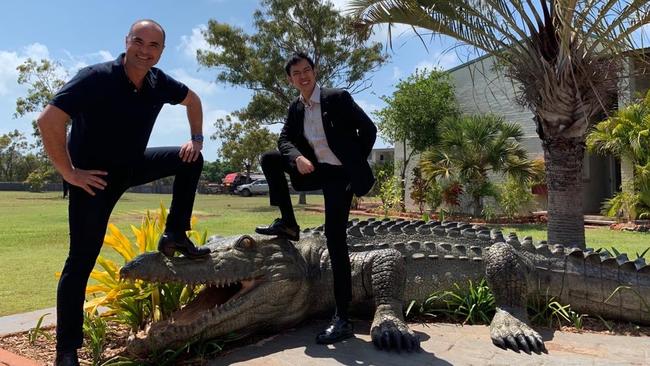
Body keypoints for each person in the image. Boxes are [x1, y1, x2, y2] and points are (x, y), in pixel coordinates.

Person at [37, 19, 210, 366]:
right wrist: (69, 172)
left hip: (132, 166)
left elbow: (193, 100)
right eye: (139, 42)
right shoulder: (96, 77)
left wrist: (196, 138)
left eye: (153, 46)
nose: (145, 51)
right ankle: (67, 351)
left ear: (161, 52)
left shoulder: (160, 83)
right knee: (80, 262)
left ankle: (175, 234)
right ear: (126, 41)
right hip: (95, 179)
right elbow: (49, 120)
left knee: (191, 159)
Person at [255, 52, 376, 345]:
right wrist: (296, 158)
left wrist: (353, 164)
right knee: (270, 159)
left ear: (314, 71)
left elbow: (369, 129)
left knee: (335, 240)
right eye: (296, 73)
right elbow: (283, 139)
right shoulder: (296, 108)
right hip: (314, 170)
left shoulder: (336, 98)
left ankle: (343, 318)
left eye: (307, 70)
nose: (303, 76)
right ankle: (288, 223)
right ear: (290, 79)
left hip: (340, 176)